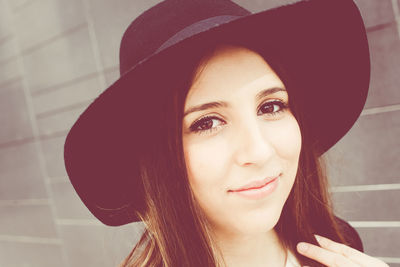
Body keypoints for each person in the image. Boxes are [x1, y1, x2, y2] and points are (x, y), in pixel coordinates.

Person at [63, 0, 388, 266]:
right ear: (158, 158)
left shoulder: (337, 247)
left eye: (271, 106)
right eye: (207, 123)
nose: (259, 151)